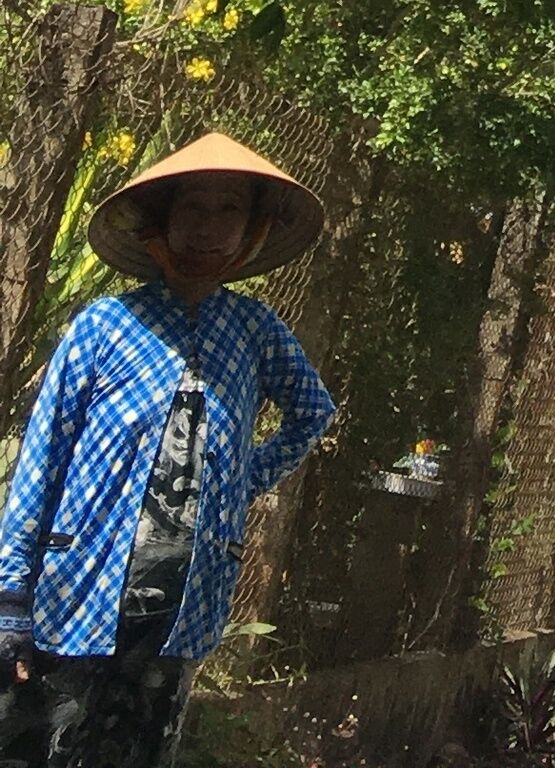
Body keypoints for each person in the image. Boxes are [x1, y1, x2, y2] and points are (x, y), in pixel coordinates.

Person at [0, 136, 337, 768]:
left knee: (144, 747)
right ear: (164, 219)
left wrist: (241, 480)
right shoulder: (105, 325)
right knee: (47, 745)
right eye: (194, 208)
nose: (209, 227)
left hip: (187, 600)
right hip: (78, 587)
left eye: (229, 210)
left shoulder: (255, 330)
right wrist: (11, 598)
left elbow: (311, 413)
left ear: (252, 231)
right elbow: (43, 457)